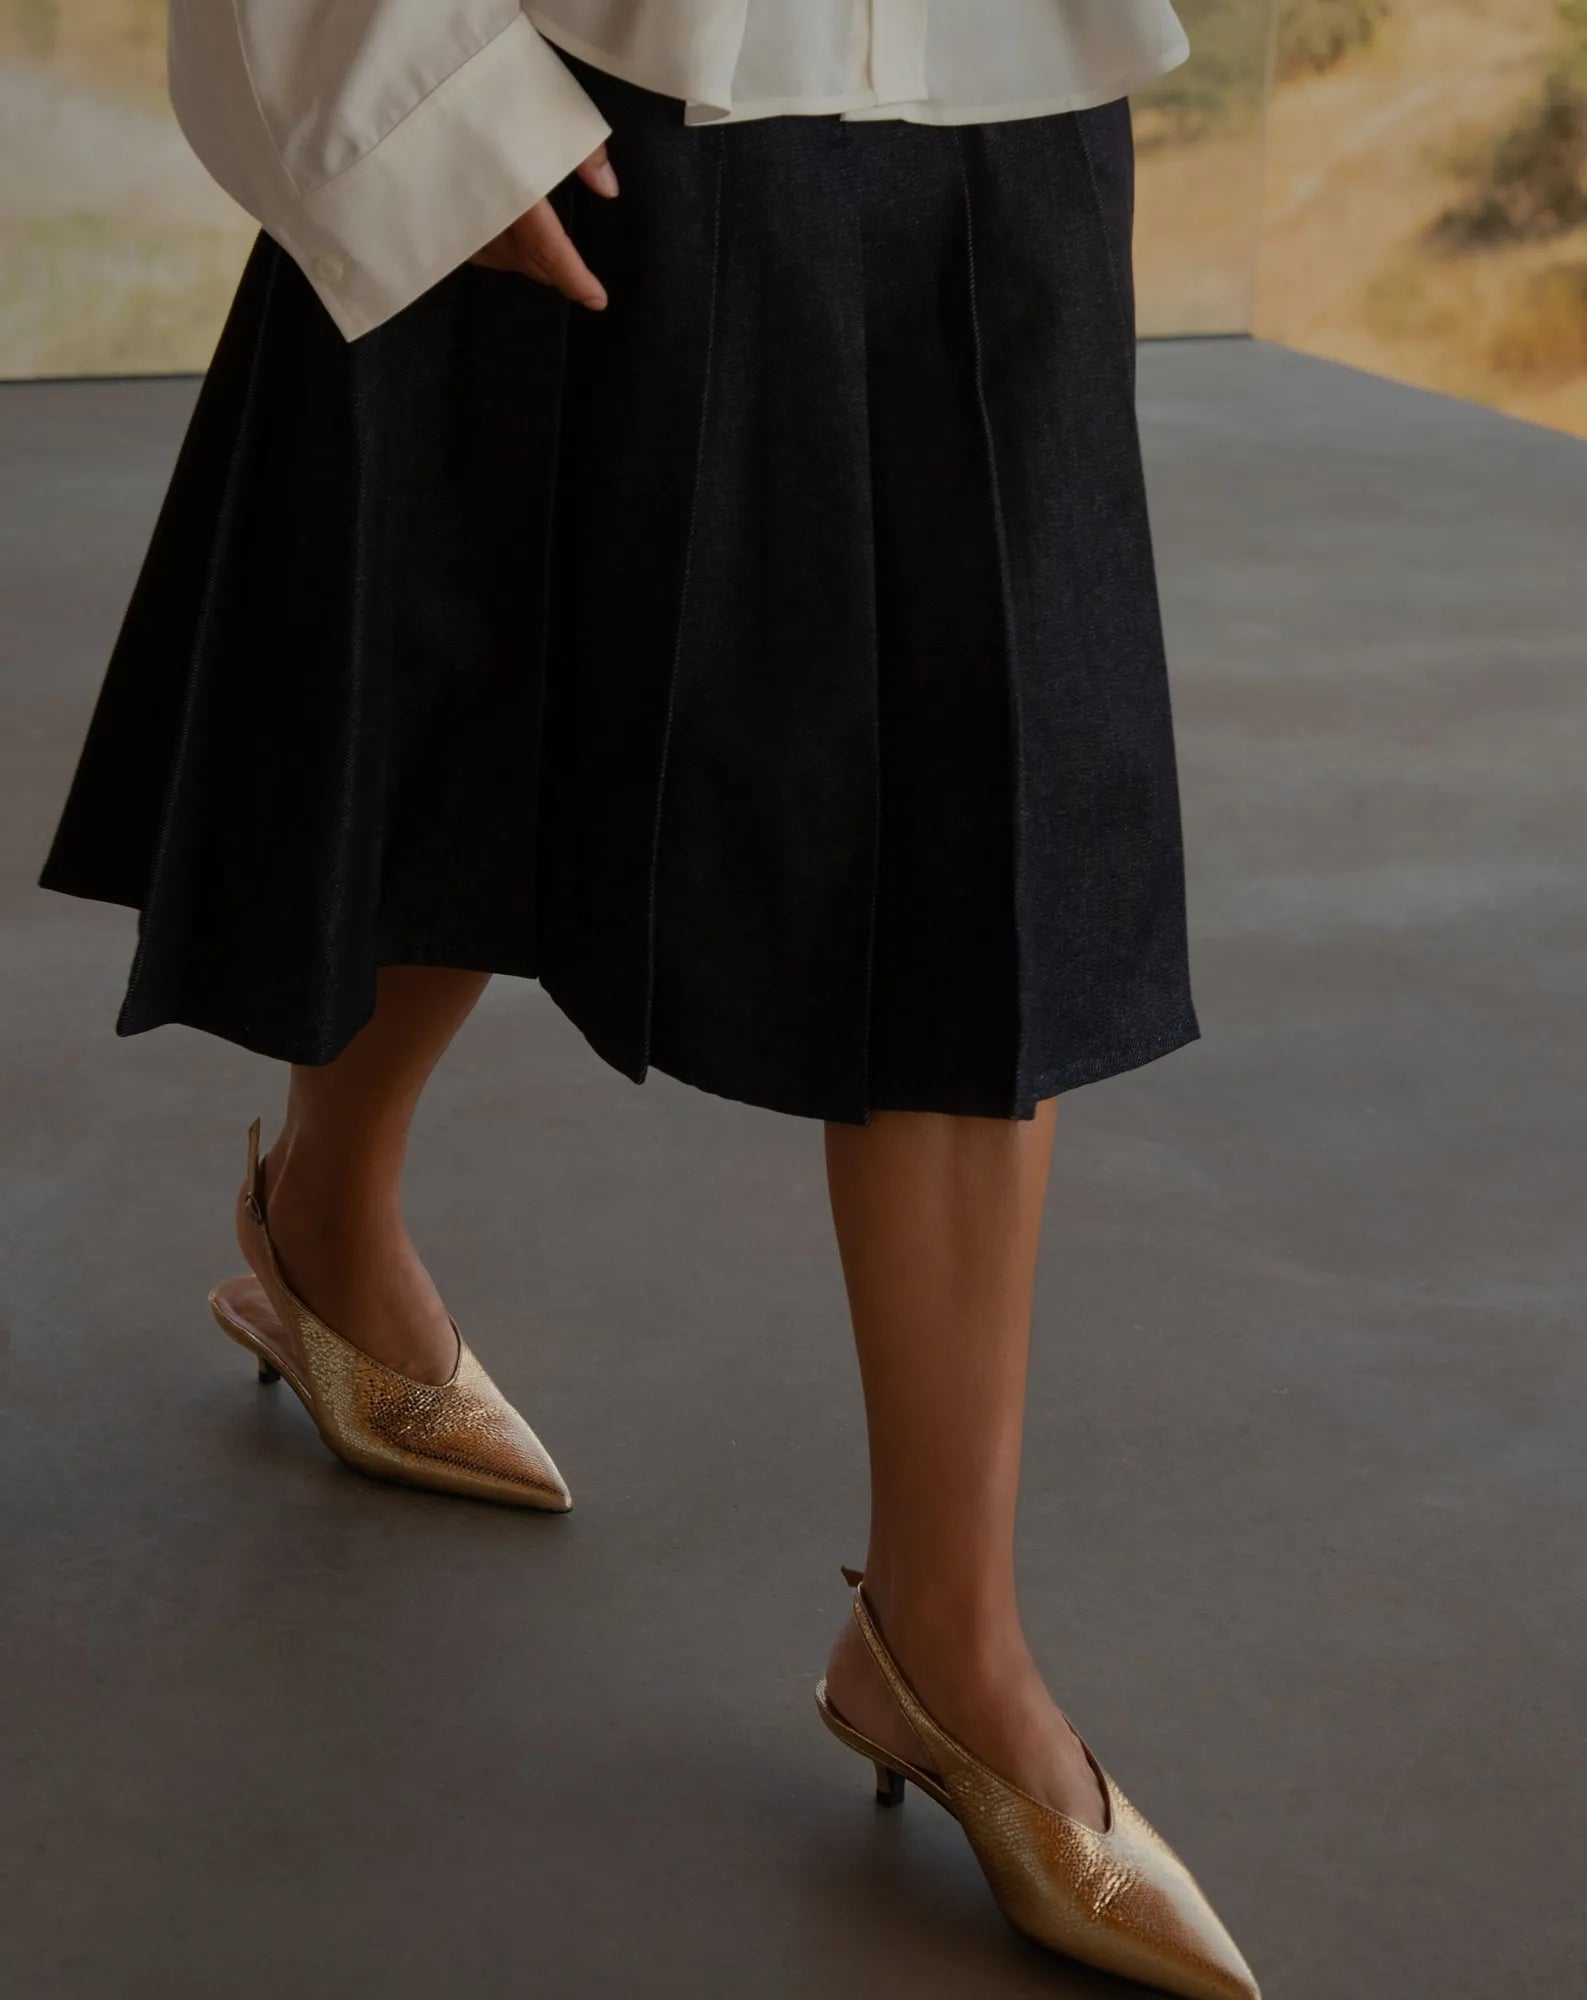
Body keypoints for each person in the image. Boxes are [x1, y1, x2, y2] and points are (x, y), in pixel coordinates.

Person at [38, 5, 1258, 1994]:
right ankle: (323, 1220)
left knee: (982, 847)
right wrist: (406, 92)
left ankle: (944, 1638)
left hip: (992, 85)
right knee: (472, 695)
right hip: (568, 66)